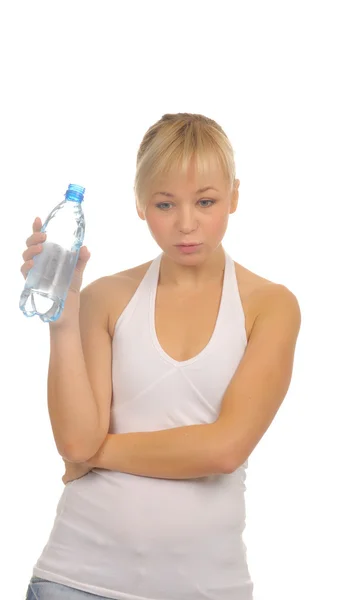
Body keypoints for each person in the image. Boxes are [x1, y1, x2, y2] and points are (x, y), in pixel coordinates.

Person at [22, 113, 301, 600]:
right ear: (139, 204)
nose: (186, 223)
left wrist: (99, 453)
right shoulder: (107, 297)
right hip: (76, 580)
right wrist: (63, 317)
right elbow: (74, 439)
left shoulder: (270, 305)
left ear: (234, 196)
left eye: (206, 201)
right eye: (165, 203)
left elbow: (224, 450)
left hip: (207, 588)